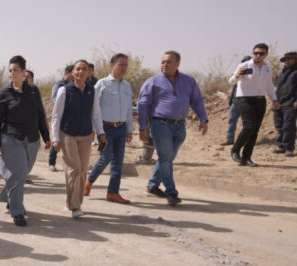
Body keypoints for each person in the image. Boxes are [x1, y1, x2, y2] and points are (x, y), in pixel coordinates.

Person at [137, 50, 208, 206]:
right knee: (166, 158)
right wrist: (142, 127)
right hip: (160, 124)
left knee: (167, 158)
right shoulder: (153, 82)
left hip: (180, 126)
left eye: (168, 62)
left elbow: (197, 100)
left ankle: (152, 186)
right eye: (163, 62)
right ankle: (171, 192)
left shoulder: (188, 81)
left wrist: (203, 118)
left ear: (177, 64)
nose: (164, 65)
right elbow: (142, 105)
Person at [0, 55, 50, 226]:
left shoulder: (34, 91)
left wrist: (46, 137)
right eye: (10, 71)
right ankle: (17, 211)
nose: (12, 73)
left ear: (24, 72)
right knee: (18, 174)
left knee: (21, 174)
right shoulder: (3, 93)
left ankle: (12, 198)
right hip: (11, 138)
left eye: (15, 70)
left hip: (32, 139)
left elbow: (40, 115)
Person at [51, 60, 106, 217]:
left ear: (89, 72)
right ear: (73, 72)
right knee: (74, 169)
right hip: (68, 134)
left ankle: (73, 203)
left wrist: (101, 133)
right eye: (78, 69)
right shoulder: (64, 90)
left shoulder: (92, 91)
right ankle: (75, 207)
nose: (81, 72)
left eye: (84, 69)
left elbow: (96, 114)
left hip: (86, 135)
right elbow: (56, 116)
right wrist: (55, 138)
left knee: (82, 171)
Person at [84, 53, 135, 204]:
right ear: (112, 66)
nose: (124, 68)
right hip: (104, 129)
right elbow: (93, 108)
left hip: (121, 128)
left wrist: (129, 129)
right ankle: (89, 181)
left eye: (126, 65)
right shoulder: (102, 84)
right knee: (105, 157)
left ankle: (113, 192)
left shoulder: (127, 86)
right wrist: (94, 130)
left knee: (118, 161)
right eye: (121, 64)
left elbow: (128, 110)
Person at [229, 43, 280, 167]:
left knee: (255, 130)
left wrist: (274, 100)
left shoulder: (267, 67)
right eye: (256, 53)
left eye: (261, 53)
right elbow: (231, 82)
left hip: (260, 100)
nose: (258, 55)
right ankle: (235, 150)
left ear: (266, 55)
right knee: (249, 125)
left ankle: (246, 158)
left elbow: (269, 86)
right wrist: (237, 75)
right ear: (252, 53)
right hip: (244, 100)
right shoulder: (244, 65)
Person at [49, 65, 75, 172]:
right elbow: (55, 100)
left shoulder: (76, 85)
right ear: (67, 72)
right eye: (73, 72)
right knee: (56, 141)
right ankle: (51, 162)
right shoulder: (58, 85)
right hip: (60, 117)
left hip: (71, 118)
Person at [223, 56, 252, 146]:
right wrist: (231, 102)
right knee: (232, 121)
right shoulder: (237, 76)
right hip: (235, 103)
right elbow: (233, 87)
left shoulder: (252, 77)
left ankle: (245, 140)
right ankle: (229, 139)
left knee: (245, 123)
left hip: (247, 102)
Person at [273, 52, 297, 156]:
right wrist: (275, 101)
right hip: (279, 103)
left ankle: (289, 148)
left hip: (290, 103)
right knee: (279, 126)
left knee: (288, 126)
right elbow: (278, 89)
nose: (287, 61)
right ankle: (281, 146)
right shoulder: (282, 73)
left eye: (290, 59)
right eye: (285, 59)